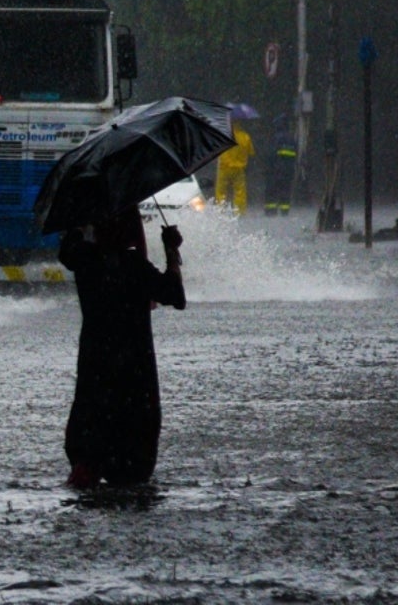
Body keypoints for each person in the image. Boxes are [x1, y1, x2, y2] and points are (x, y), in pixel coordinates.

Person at [59, 211, 186, 488]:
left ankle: (88, 466)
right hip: (134, 368)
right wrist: (171, 251)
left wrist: (80, 226)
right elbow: (176, 296)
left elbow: (66, 252)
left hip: (96, 363)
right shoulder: (134, 266)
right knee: (132, 454)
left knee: (92, 429)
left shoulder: (86, 262)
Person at [215, 120, 255, 215]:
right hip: (239, 169)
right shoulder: (245, 136)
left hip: (224, 168)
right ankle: (239, 212)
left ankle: (220, 211)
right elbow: (251, 152)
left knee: (221, 191)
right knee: (239, 191)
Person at [263, 114, 297, 216]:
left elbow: (271, 154)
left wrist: (268, 167)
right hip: (289, 170)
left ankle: (271, 211)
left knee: (271, 190)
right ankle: (284, 211)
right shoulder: (292, 139)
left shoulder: (276, 138)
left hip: (276, 170)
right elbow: (294, 154)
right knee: (286, 191)